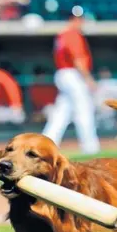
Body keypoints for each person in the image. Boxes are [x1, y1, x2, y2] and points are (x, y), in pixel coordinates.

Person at [42, 8, 100, 154]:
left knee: (61, 113)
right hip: (72, 74)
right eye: (79, 18)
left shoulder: (62, 34)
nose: (81, 21)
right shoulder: (72, 34)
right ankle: (90, 146)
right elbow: (78, 60)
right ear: (73, 19)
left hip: (64, 74)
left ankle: (46, 143)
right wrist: (88, 79)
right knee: (84, 109)